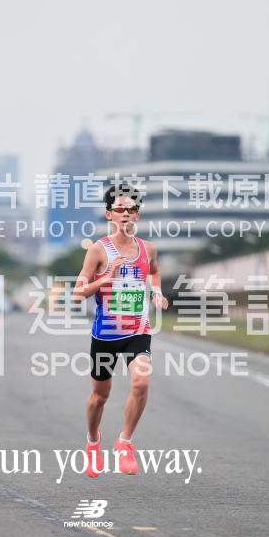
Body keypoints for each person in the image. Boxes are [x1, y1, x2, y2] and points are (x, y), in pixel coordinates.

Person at [73, 184, 168, 477]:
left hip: (138, 330)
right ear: (109, 215)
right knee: (99, 397)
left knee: (141, 384)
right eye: (119, 210)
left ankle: (124, 442)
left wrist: (156, 293)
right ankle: (92, 442)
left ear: (137, 216)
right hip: (106, 334)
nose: (126, 214)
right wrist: (106, 277)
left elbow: (154, 272)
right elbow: (77, 294)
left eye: (131, 209)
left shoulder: (148, 249)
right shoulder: (98, 250)